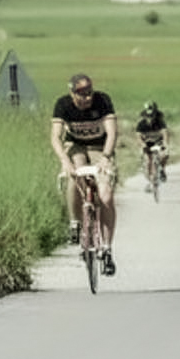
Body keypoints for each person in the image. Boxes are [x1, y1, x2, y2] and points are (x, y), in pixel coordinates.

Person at [49, 73, 118, 276]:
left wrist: (106, 157)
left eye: (89, 92)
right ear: (72, 93)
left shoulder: (102, 100)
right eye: (81, 94)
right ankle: (75, 223)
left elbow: (112, 132)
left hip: (99, 147)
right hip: (75, 147)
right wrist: (64, 161)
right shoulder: (63, 105)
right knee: (75, 174)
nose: (87, 97)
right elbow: (55, 137)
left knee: (106, 195)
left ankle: (106, 248)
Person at [135, 100, 170, 193]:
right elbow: (138, 137)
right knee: (147, 162)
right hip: (147, 144)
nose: (150, 118)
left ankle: (162, 169)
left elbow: (165, 134)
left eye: (152, 115)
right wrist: (142, 145)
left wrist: (166, 145)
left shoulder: (160, 122)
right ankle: (150, 182)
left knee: (164, 155)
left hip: (158, 143)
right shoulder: (141, 124)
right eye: (148, 116)